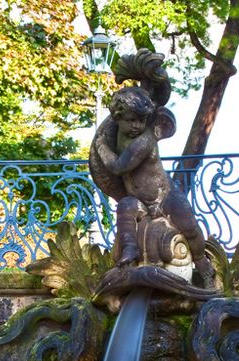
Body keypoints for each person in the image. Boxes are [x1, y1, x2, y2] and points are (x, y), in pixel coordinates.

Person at [91, 85, 215, 284]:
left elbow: (118, 166)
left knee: (190, 227)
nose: (137, 126)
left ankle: (203, 264)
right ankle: (130, 249)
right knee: (125, 208)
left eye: (141, 120)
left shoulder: (144, 141)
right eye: (131, 120)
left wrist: (101, 147)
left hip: (164, 195)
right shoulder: (119, 136)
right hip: (138, 199)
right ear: (117, 118)